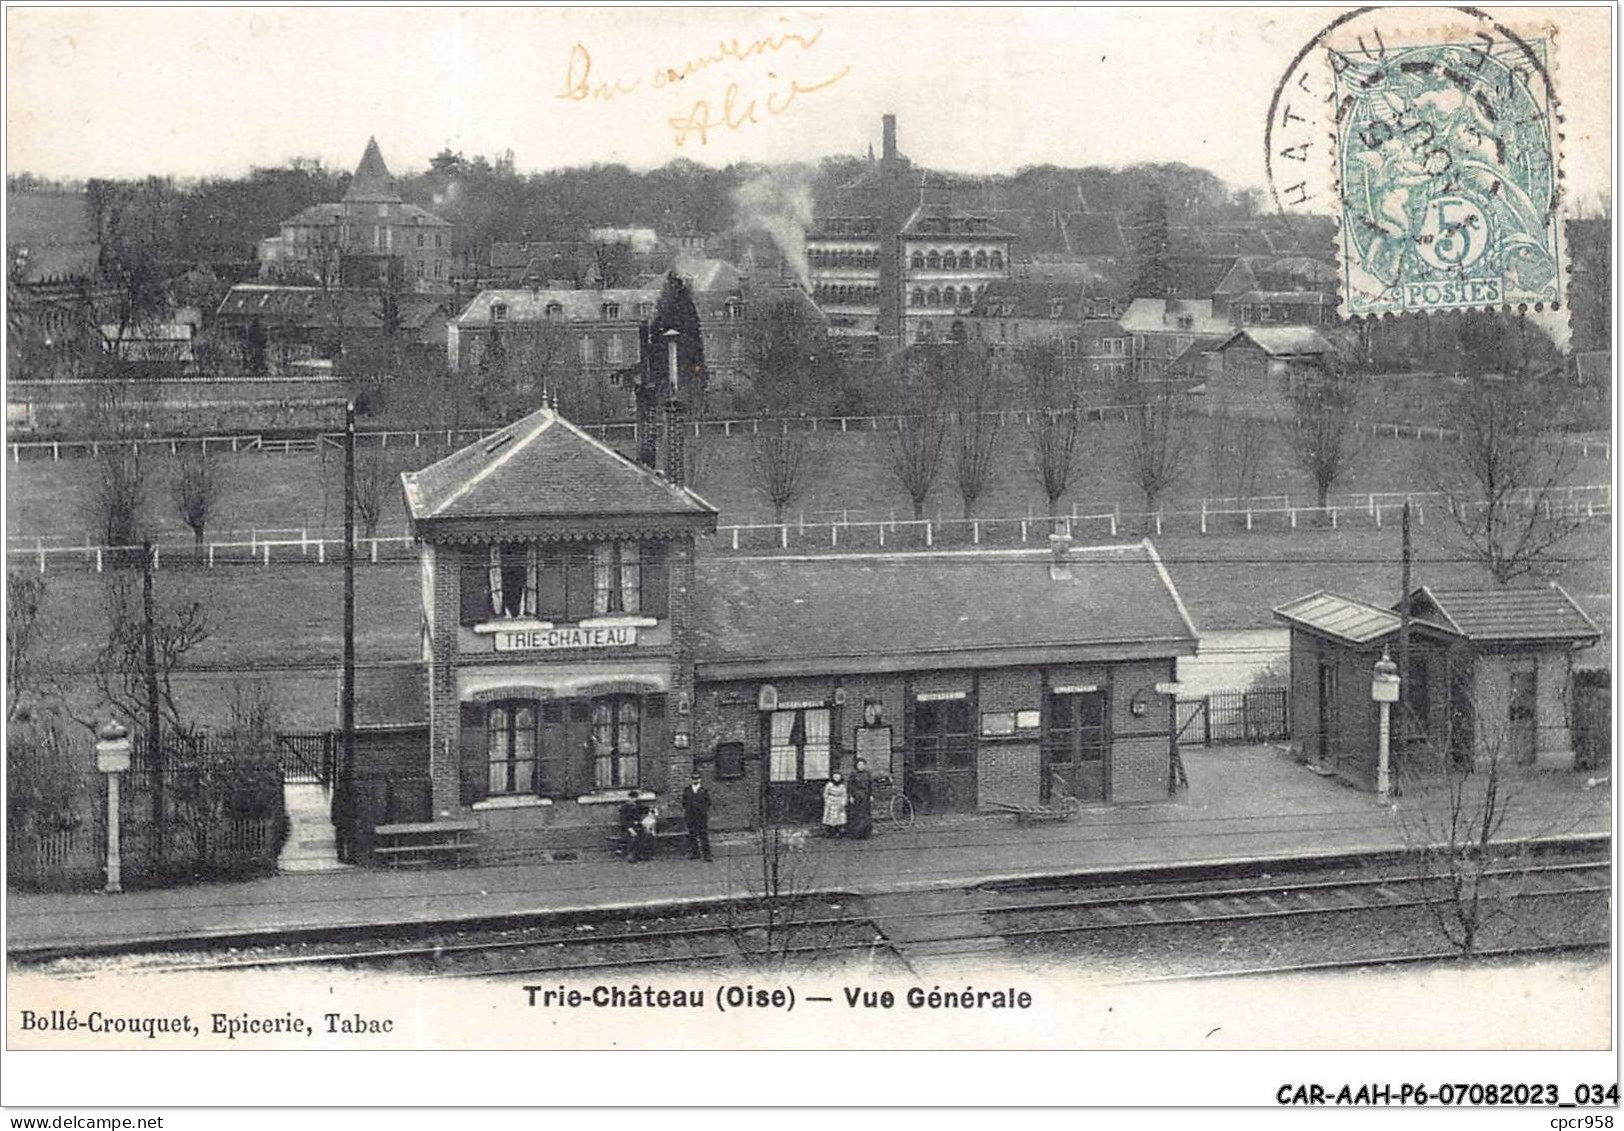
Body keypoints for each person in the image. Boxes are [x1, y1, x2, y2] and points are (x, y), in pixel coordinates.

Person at [682, 773, 713, 861]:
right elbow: (684, 802)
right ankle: (695, 853)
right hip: (691, 816)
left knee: (703, 835)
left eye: (697, 778)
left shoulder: (704, 790)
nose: (695, 780)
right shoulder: (687, 790)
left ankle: (707, 855)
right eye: (693, 778)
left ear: (700, 779)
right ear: (691, 779)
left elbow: (708, 802)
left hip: (701, 816)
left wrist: (703, 811)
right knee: (692, 834)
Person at [846, 758, 873, 840]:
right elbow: (849, 786)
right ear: (856, 766)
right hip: (856, 796)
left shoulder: (868, 774)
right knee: (856, 815)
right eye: (859, 765)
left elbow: (870, 785)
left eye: (862, 765)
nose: (861, 766)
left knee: (865, 815)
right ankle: (855, 834)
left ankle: (865, 834)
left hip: (865, 796)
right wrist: (850, 796)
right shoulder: (853, 774)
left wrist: (871, 795)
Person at [821, 772, 849, 838]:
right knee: (830, 817)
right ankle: (829, 831)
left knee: (839, 816)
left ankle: (838, 831)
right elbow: (825, 793)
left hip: (839, 801)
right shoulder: (829, 785)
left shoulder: (842, 786)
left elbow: (844, 795)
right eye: (835, 777)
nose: (836, 779)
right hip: (830, 801)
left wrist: (843, 803)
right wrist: (827, 800)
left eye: (838, 777)